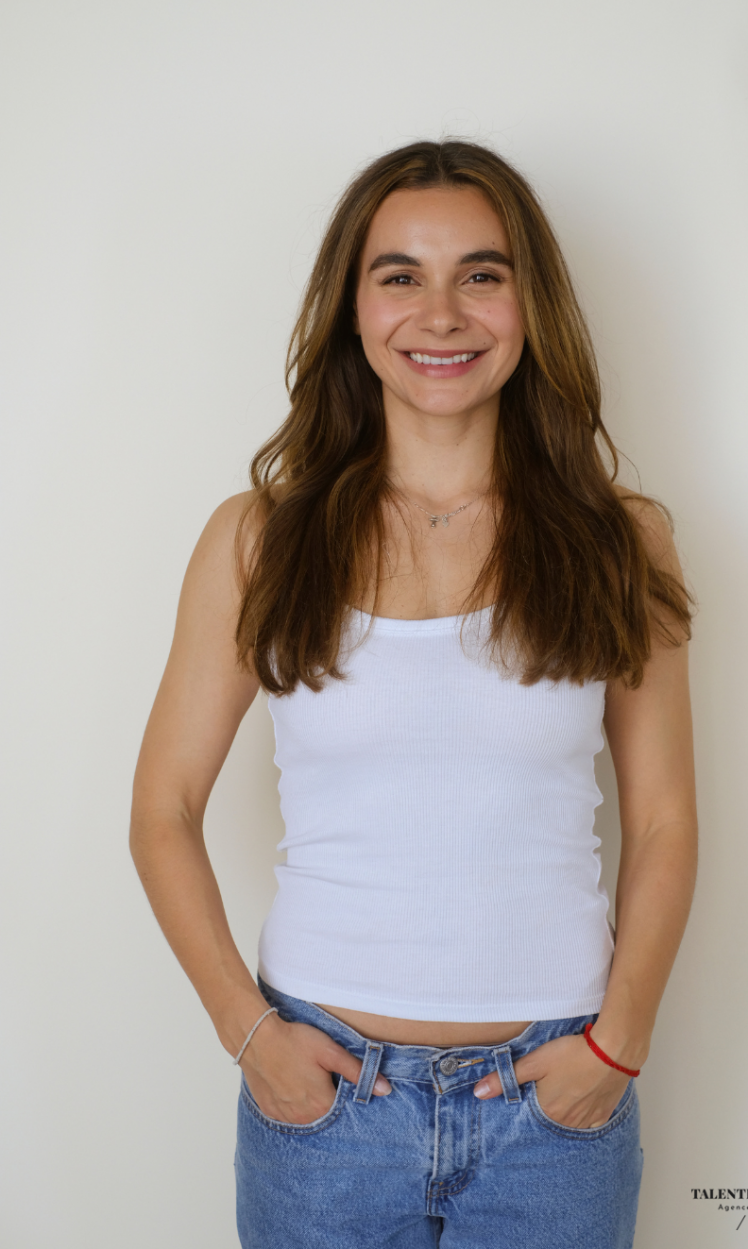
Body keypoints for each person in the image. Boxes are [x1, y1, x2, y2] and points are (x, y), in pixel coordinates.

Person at [130, 139, 697, 1249]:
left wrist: (617, 1044)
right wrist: (250, 1035)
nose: (442, 314)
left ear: (530, 305)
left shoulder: (620, 539)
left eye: (481, 274)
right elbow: (164, 809)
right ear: (352, 309)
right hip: (324, 1107)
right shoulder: (258, 541)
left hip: (553, 1106)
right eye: (400, 275)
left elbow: (666, 819)